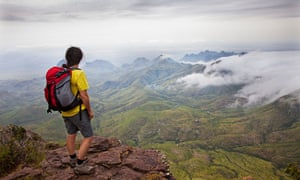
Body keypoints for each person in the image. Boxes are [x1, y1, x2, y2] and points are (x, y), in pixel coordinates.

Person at [61, 46, 95, 175]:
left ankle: (72, 159)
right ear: (80, 59)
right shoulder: (79, 73)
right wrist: (89, 111)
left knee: (71, 134)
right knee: (88, 137)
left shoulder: (64, 72)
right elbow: (84, 95)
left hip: (65, 111)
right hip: (78, 112)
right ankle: (80, 165)